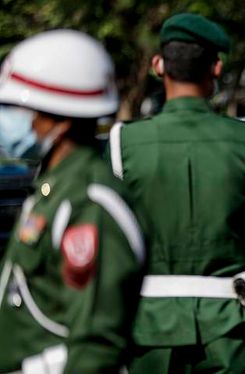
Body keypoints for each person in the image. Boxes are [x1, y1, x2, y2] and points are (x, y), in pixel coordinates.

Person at [107, 13, 245, 373]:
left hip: (148, 328)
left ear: (157, 65)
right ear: (216, 67)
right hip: (227, 326)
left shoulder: (123, 143)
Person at [0, 30, 145, 372]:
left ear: (60, 118)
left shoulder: (90, 202)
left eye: (16, 108)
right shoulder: (53, 188)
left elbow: (96, 344)